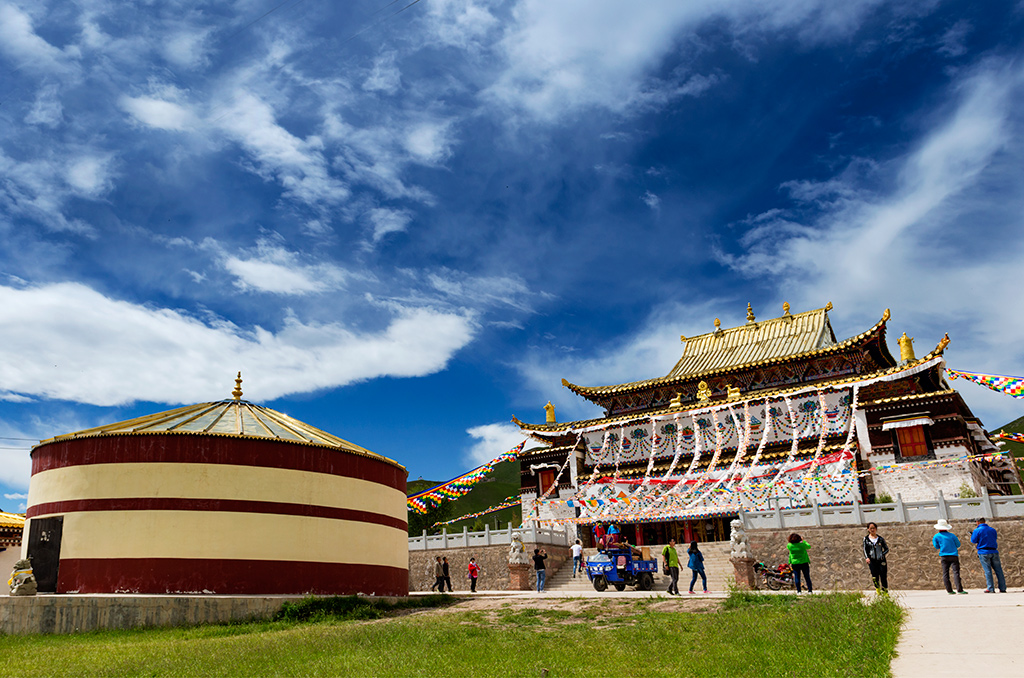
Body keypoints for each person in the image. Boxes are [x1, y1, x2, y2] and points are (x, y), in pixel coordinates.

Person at [970, 517, 1007, 593]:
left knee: (988, 571)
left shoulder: (977, 530)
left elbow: (973, 541)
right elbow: (994, 538)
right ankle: (1002, 588)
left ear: (977, 522)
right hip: (994, 551)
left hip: (983, 552)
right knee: (999, 570)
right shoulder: (992, 530)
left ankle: (990, 588)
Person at [932, 519, 966, 594]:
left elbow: (936, 546)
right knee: (956, 572)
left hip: (944, 556)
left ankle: (949, 590)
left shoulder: (936, 536)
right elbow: (958, 545)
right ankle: (960, 589)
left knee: (945, 573)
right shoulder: (952, 535)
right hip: (954, 555)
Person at [862, 522, 890, 592]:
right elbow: (865, 549)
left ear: (876, 529)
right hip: (872, 560)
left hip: (881, 560)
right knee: (875, 576)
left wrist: (882, 554)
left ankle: (885, 591)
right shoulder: (866, 539)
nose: (872, 530)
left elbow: (886, 549)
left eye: (873, 528)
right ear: (868, 529)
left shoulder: (880, 539)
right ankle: (878, 589)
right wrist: (867, 557)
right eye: (871, 528)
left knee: (883, 576)